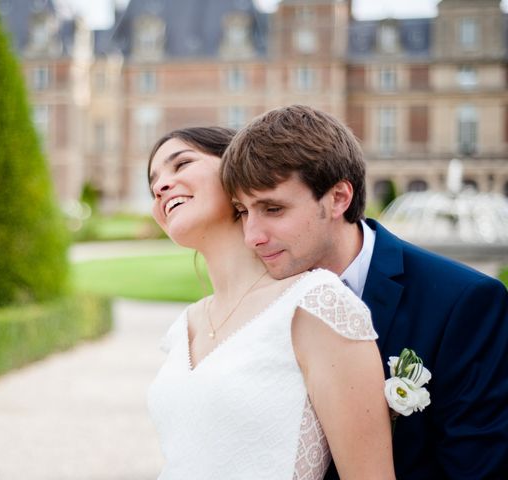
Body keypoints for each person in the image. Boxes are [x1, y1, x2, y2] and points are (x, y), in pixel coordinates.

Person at [220, 104, 508, 480]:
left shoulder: (465, 303)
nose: (251, 236)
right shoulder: (252, 300)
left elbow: (477, 469)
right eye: (242, 211)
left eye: (273, 208)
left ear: (339, 197)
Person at [146, 126, 395, 480]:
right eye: (153, 182)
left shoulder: (315, 303)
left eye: (181, 164)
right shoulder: (183, 327)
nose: (160, 186)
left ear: (239, 170)